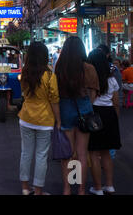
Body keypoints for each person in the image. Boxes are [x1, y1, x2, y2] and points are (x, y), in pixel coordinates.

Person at [55, 36, 100, 195]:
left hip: (65, 108)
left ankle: (67, 189)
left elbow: (56, 94)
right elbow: (93, 94)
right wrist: (86, 106)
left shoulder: (60, 68)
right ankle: (81, 190)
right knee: (82, 153)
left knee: (67, 154)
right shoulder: (89, 68)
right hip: (84, 109)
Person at [18, 42, 61, 195]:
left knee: (26, 153)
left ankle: (24, 187)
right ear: (44, 56)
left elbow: (23, 92)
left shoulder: (24, 73)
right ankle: (38, 191)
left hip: (26, 117)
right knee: (41, 156)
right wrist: (59, 120)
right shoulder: (49, 76)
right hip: (44, 120)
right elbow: (54, 99)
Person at [87, 49, 121, 195]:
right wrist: (115, 118)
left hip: (95, 115)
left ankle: (98, 188)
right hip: (110, 115)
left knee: (94, 153)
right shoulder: (112, 79)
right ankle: (110, 185)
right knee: (106, 153)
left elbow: (90, 101)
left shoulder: (91, 80)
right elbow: (116, 102)